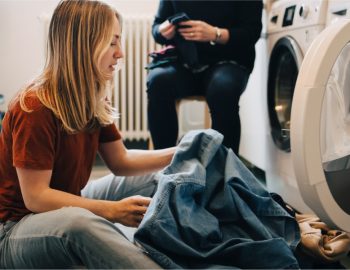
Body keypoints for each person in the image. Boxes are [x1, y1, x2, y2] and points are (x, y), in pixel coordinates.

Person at [0, 0, 175, 268]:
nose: (121, 54)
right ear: (84, 46)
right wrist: (112, 212)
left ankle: (191, 244)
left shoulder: (91, 98)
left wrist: (180, 152)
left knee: (156, 177)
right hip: (14, 231)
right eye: (113, 42)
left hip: (66, 203)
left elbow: (121, 161)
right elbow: (36, 197)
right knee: (79, 222)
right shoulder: (34, 106)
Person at [147, 0, 263, 154]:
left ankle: (226, 171)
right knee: (158, 81)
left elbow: (251, 32)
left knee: (223, 89)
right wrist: (162, 30)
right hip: (185, 63)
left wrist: (216, 34)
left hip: (229, 61)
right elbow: (157, 28)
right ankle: (163, 165)